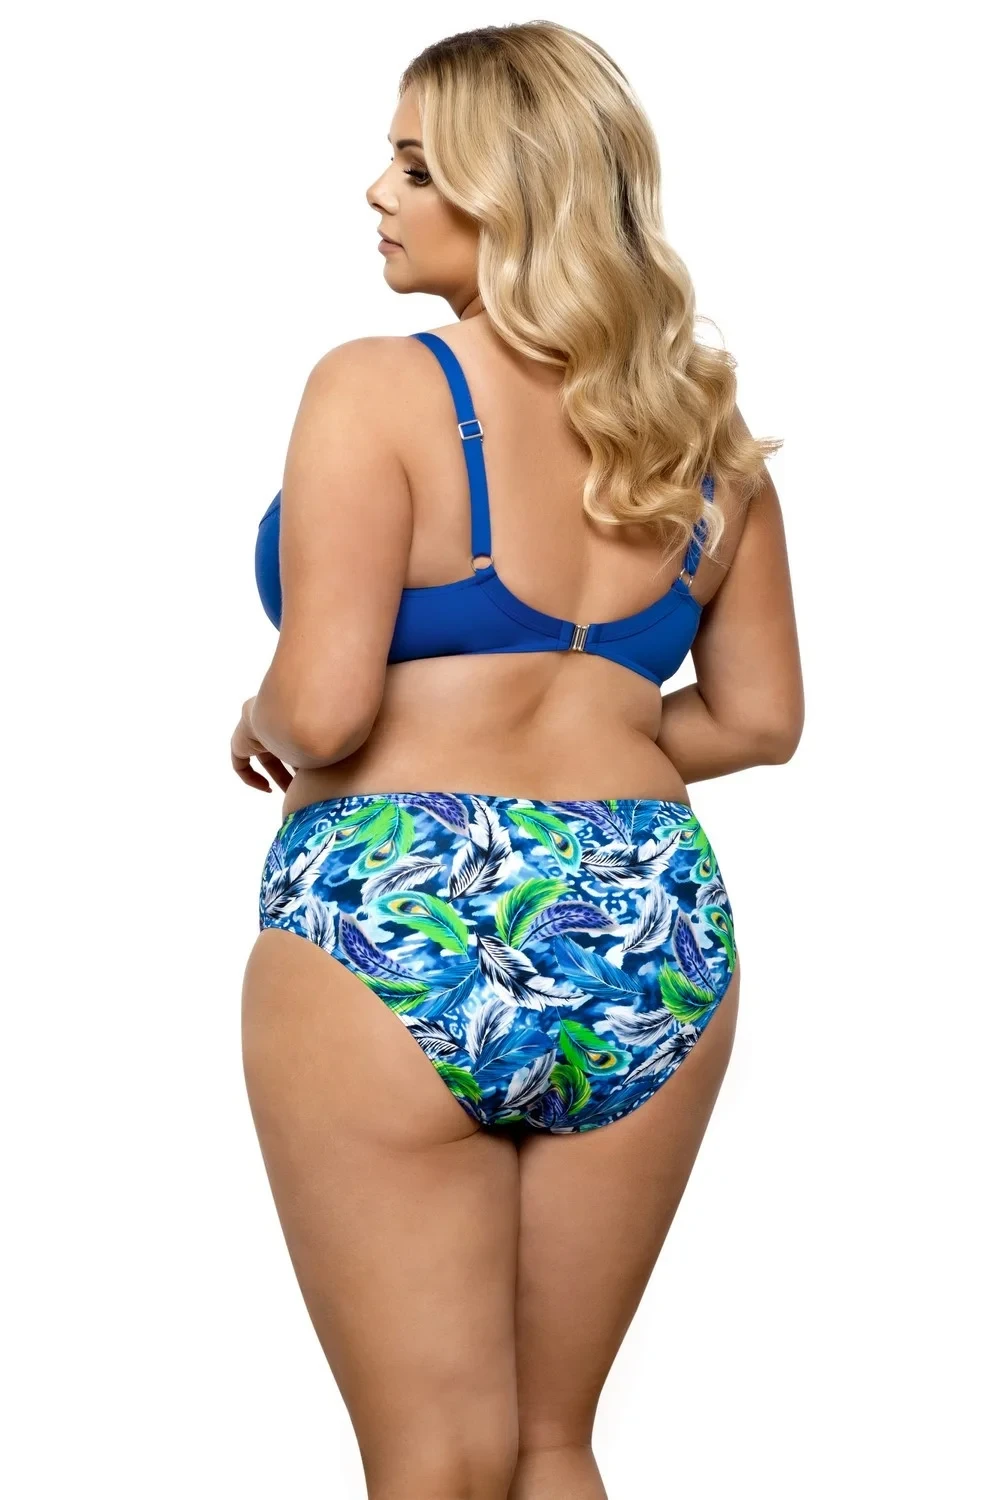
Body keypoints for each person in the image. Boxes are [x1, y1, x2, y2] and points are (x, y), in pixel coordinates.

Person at [233, 21, 803, 1500]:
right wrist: (595, 733)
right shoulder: (701, 431)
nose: (379, 192)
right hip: (648, 919)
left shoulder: (375, 388)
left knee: (435, 1459)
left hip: (401, 905)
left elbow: (326, 707)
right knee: (551, 1446)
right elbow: (759, 719)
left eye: (418, 166)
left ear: (514, 190)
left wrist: (259, 722)